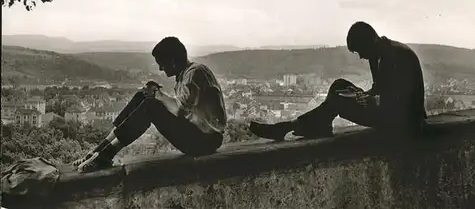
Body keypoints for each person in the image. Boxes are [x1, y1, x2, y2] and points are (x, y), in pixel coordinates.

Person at [250, 21, 427, 141]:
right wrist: (366, 95)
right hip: (391, 112)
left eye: (360, 51)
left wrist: (371, 100)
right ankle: (318, 125)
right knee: (339, 85)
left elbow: (401, 100)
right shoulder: (379, 53)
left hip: (403, 122)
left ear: (370, 42)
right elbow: (381, 89)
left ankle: (288, 127)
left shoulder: (395, 56)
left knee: (338, 100)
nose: (361, 57)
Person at [73, 36, 227, 173]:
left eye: (161, 63)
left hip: (205, 141)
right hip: (200, 137)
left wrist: (158, 95)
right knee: (143, 96)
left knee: (150, 106)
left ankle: (105, 156)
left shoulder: (195, 73)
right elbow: (185, 110)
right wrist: (155, 93)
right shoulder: (188, 74)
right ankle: (97, 151)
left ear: (172, 61)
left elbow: (180, 110)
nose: (160, 68)